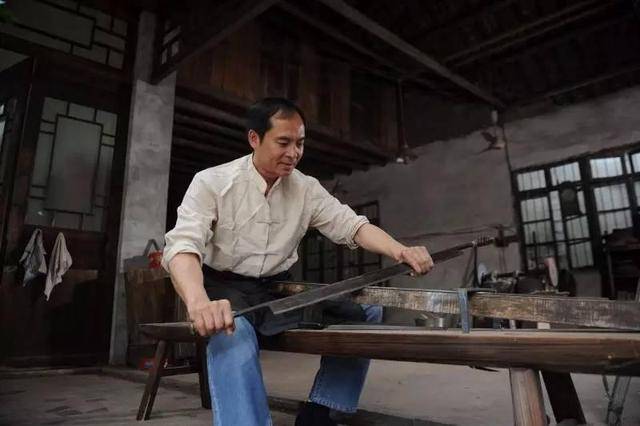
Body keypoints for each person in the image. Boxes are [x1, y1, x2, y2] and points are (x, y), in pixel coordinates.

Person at [162, 98, 433, 426]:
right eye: (283, 142)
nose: (293, 153)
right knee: (231, 331)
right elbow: (183, 246)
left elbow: (352, 225)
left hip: (278, 290)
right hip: (225, 288)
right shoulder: (212, 182)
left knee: (367, 311)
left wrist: (400, 250)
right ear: (254, 139)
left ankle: (320, 412)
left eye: (300, 143)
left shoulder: (306, 189)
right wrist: (199, 303)